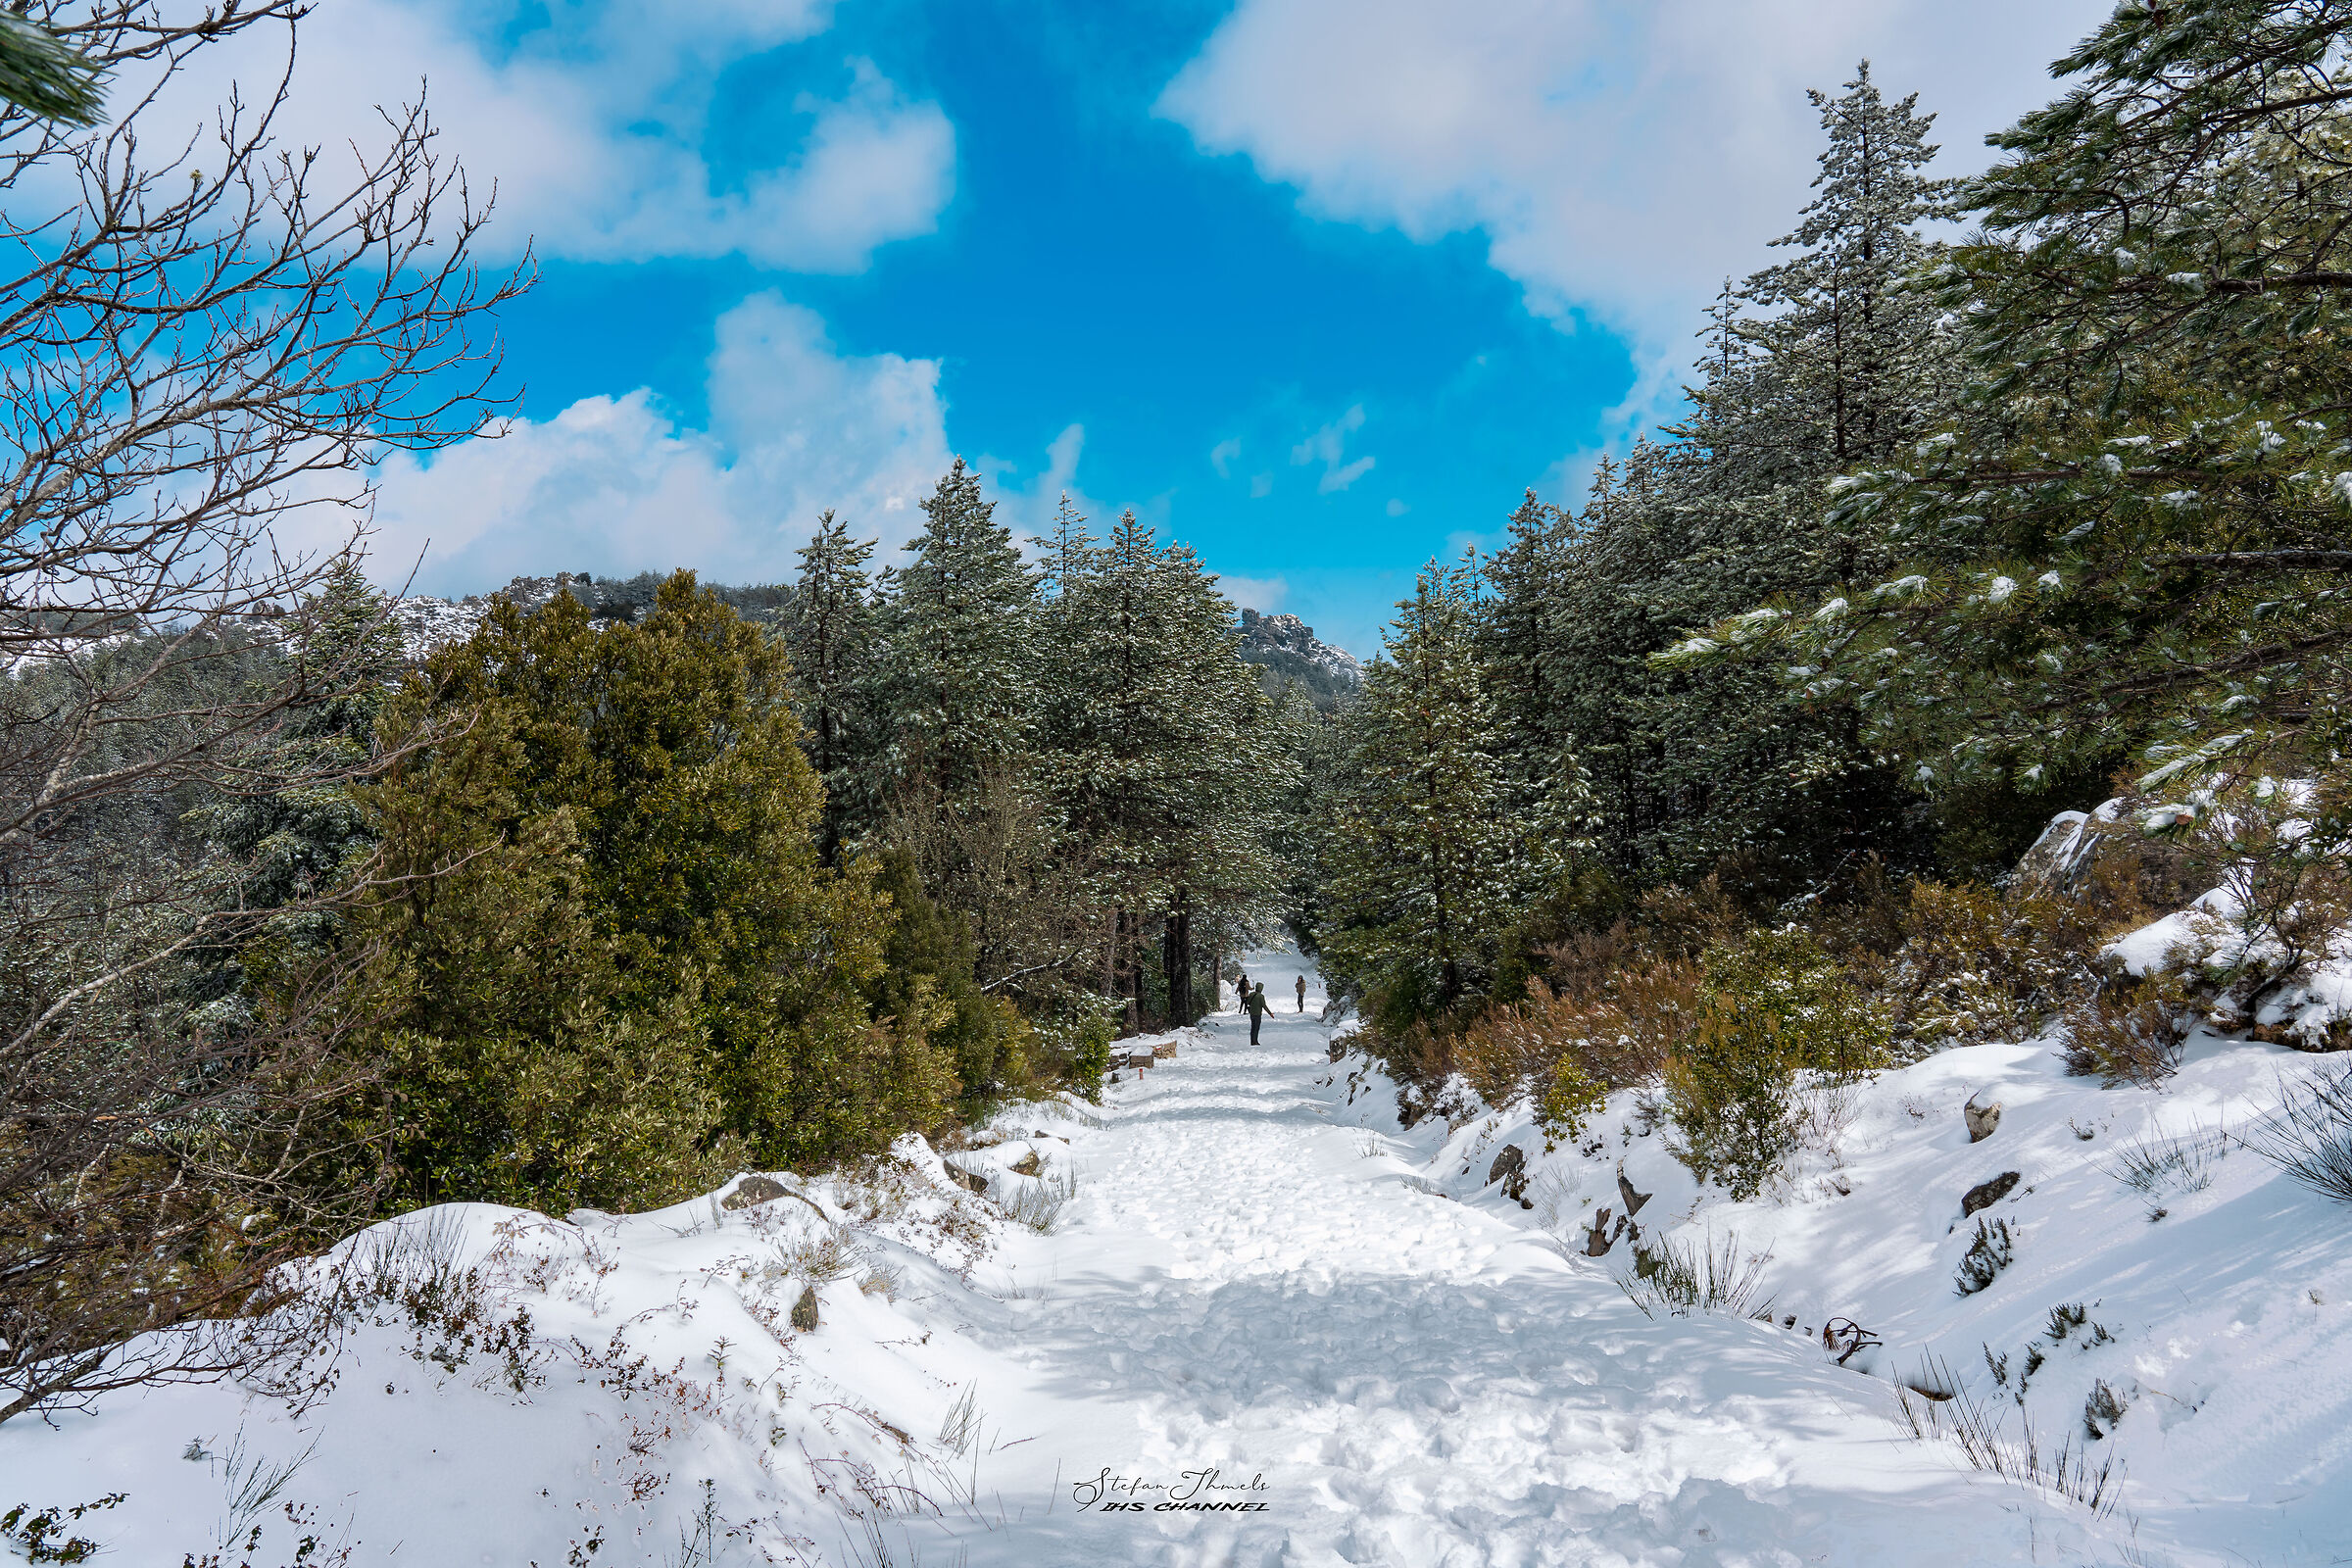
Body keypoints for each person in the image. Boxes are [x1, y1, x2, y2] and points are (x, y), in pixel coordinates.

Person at [1244, 981, 1271, 1046]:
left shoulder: (1251, 994)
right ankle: (1255, 1041)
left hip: (1252, 1013)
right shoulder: (1261, 996)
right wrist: (1270, 1013)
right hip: (1258, 1014)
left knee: (1253, 1027)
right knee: (1256, 1028)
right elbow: (1264, 1006)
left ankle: (1252, 1041)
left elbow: (1247, 1002)